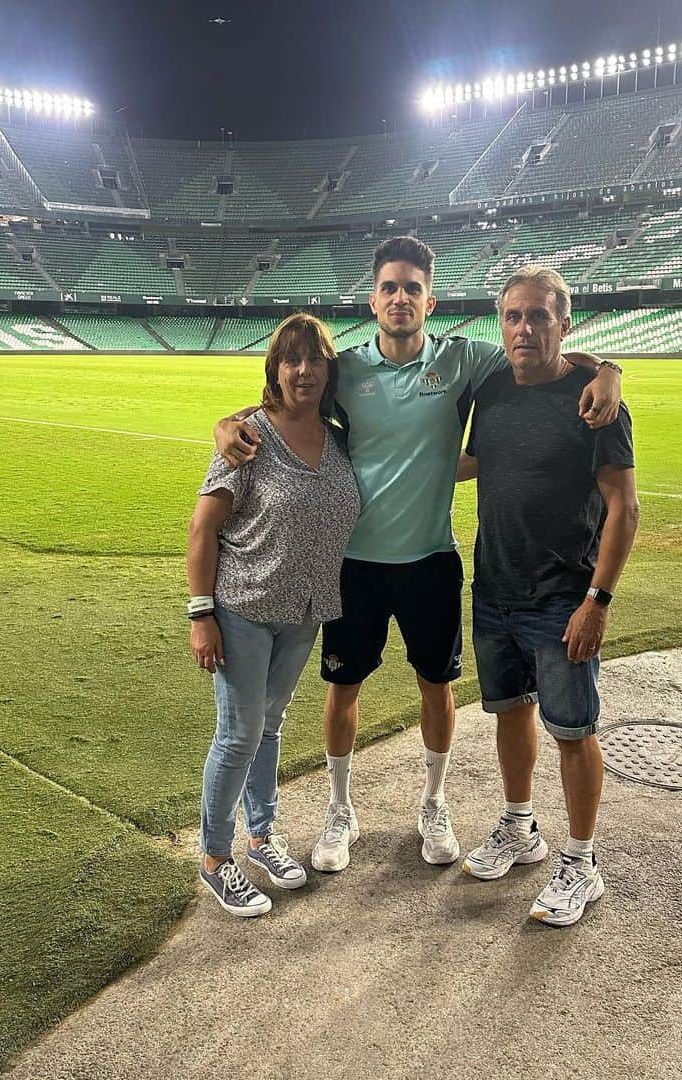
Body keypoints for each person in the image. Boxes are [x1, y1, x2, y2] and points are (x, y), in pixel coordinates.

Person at [215, 236, 622, 875]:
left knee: (439, 686)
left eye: (412, 287)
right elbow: (282, 399)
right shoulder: (345, 369)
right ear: (373, 300)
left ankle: (433, 804)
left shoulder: (466, 360)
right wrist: (226, 422)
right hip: (355, 562)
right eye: (388, 288)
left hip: (432, 558)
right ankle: (339, 810)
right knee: (342, 686)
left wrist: (609, 370)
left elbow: (547, 357)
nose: (400, 298)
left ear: (430, 299)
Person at [456, 265, 639, 927]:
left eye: (539, 316)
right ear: (500, 325)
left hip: (565, 597)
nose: (525, 328)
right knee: (509, 713)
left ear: (564, 324)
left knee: (572, 732)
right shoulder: (494, 386)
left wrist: (599, 600)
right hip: (494, 588)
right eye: (513, 316)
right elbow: (479, 461)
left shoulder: (595, 401)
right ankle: (519, 828)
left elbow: (626, 507)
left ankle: (582, 863)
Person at [188, 313, 360, 917]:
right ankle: (215, 859)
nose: (304, 369)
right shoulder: (248, 436)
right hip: (242, 606)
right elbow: (202, 527)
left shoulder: (340, 438)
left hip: (305, 608)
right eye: (292, 359)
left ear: (328, 369)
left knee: (269, 724)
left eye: (315, 358)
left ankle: (261, 835)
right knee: (237, 734)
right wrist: (200, 613)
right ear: (275, 369)